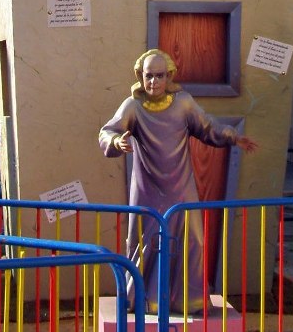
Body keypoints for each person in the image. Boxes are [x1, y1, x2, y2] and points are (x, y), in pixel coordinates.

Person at [99, 48, 258, 313]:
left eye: (159, 75)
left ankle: (188, 299)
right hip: (146, 188)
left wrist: (232, 136)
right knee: (143, 241)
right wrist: (116, 141)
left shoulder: (183, 103)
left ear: (169, 76)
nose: (154, 82)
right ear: (140, 76)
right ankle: (142, 298)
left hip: (180, 187)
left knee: (192, 240)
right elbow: (107, 131)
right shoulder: (132, 106)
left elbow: (207, 126)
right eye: (148, 76)